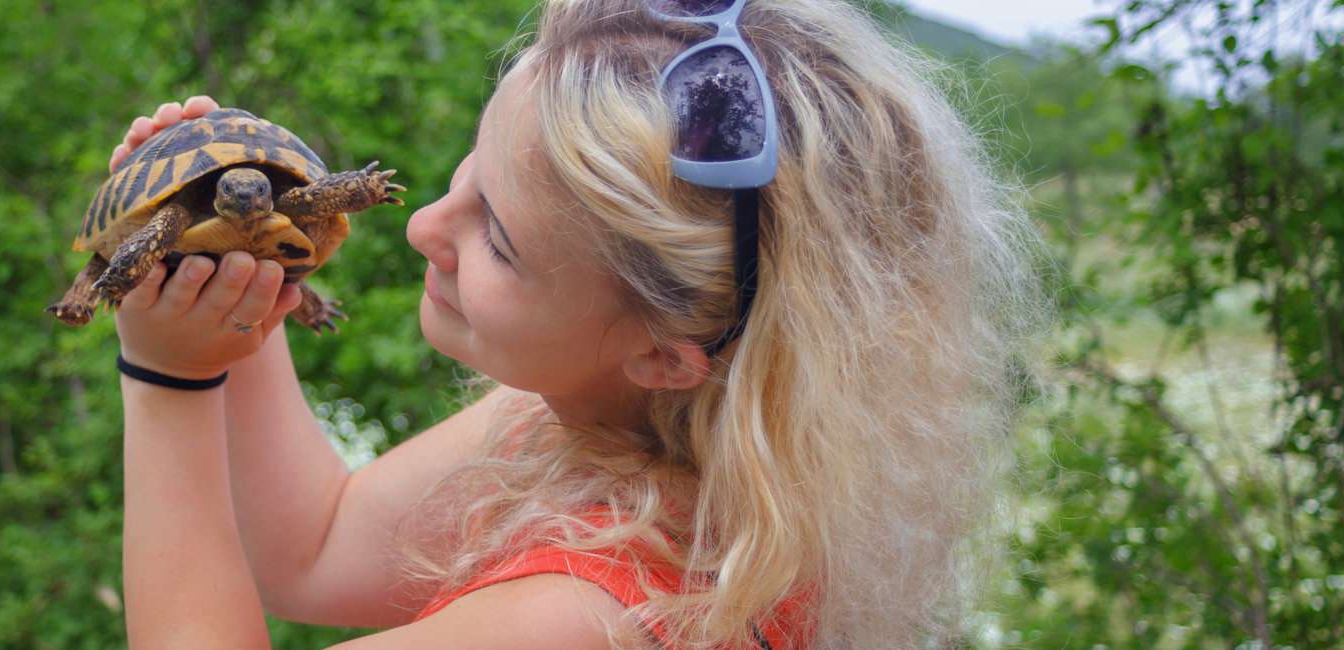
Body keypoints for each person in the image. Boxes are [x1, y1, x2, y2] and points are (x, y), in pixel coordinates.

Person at [107, 0, 1050, 647]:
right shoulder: (646, 423)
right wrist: (234, 262)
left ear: (667, 353)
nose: (427, 227)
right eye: (469, 173)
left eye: (501, 243)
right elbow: (310, 552)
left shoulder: (584, 621)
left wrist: (169, 384)